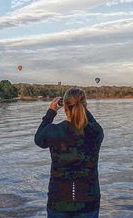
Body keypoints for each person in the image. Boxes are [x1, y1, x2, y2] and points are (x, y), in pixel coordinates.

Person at [35, 88, 104, 218]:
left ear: (65, 106)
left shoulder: (54, 131)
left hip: (59, 201)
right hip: (88, 202)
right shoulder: (96, 132)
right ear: (85, 106)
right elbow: (93, 122)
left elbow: (39, 139)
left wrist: (51, 112)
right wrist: (82, 107)